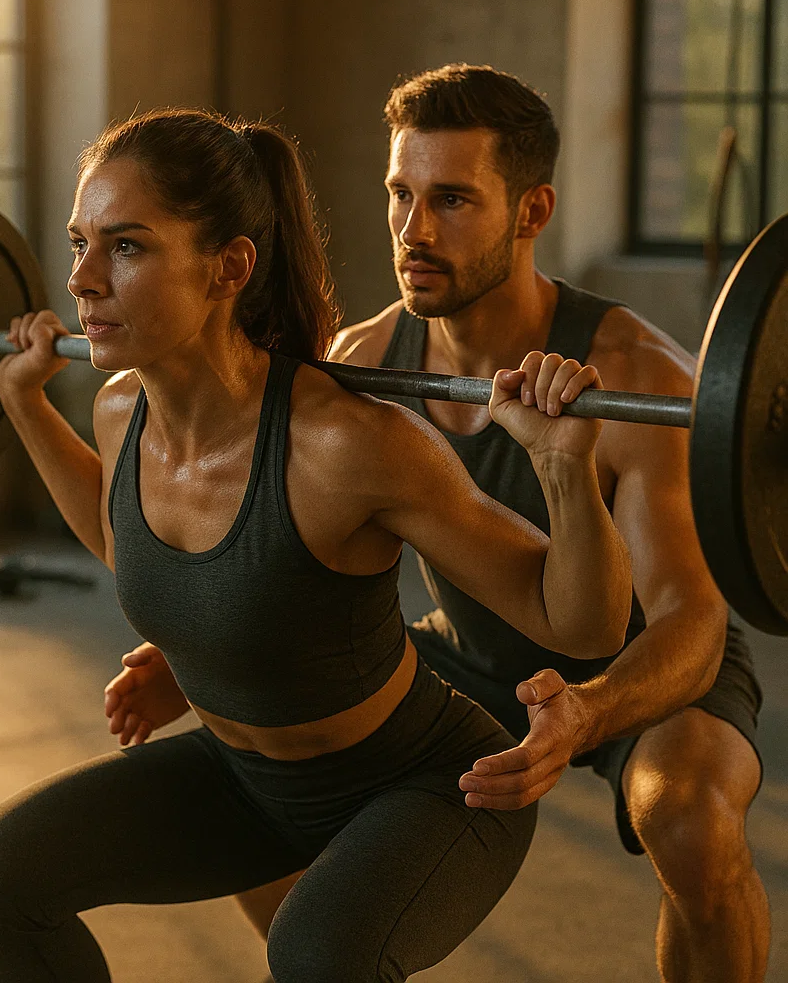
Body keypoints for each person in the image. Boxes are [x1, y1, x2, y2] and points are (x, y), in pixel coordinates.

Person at [103, 68, 768, 983]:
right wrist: (207, 655)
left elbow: (690, 620)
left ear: (532, 212)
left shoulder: (635, 378)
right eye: (400, 195)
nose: (413, 231)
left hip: (639, 665)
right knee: (265, 798)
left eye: (451, 199)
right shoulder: (362, 363)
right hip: (470, 648)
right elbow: (288, 548)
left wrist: (588, 715)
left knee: (688, 818)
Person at [0, 107, 633, 983]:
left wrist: (563, 466)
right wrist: (26, 405)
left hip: (427, 786)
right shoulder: (119, 409)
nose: (80, 279)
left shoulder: (348, 443)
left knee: (316, 959)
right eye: (79, 241)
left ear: (229, 267)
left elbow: (583, 624)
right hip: (246, 782)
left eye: (126, 247)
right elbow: (135, 548)